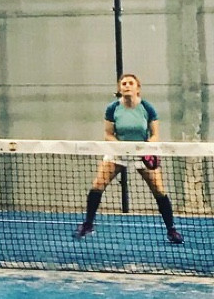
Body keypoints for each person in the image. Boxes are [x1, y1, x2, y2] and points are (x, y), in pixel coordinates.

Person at [74, 73, 183, 245]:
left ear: (137, 88)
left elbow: (155, 135)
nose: (127, 86)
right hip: (119, 152)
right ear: (120, 88)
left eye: (131, 83)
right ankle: (88, 225)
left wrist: (146, 149)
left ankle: (171, 230)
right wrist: (121, 147)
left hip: (142, 153)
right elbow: (108, 134)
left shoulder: (147, 108)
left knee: (159, 190)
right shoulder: (113, 108)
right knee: (97, 185)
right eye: (123, 83)